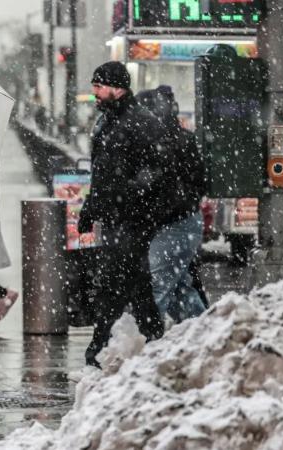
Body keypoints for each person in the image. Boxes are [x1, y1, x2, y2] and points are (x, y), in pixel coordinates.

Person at [77, 62, 165, 368]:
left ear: (118, 87)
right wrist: (90, 209)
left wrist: (130, 191)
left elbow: (157, 168)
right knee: (135, 283)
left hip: (132, 218)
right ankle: (154, 338)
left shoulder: (141, 121)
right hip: (114, 216)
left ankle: (98, 348)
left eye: (99, 86)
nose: (95, 93)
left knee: (115, 283)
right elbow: (100, 176)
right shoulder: (106, 122)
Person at [136, 86, 207, 323]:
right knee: (179, 289)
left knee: (157, 288)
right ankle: (203, 331)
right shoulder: (178, 140)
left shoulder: (161, 144)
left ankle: (144, 344)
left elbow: (159, 186)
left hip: (174, 223)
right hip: (179, 221)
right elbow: (199, 182)